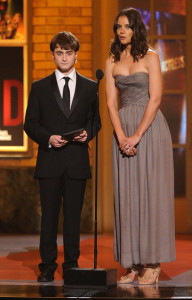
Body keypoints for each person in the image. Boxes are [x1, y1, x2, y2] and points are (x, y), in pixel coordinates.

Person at [105, 8, 175, 285]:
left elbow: (156, 98)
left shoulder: (152, 56)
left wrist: (136, 135)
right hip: (122, 127)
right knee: (127, 195)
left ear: (137, 29)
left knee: (151, 194)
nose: (122, 31)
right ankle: (131, 263)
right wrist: (122, 135)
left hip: (150, 129)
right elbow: (111, 103)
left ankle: (153, 263)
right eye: (118, 27)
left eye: (127, 27)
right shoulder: (111, 58)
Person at [24, 31, 101, 282]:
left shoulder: (90, 87)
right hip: (49, 161)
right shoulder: (39, 87)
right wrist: (48, 138)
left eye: (69, 52)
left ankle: (71, 265)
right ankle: (47, 266)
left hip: (77, 162)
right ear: (53, 55)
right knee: (48, 217)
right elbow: (30, 123)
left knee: (73, 218)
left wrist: (87, 134)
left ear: (76, 55)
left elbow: (95, 121)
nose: (64, 57)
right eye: (60, 52)